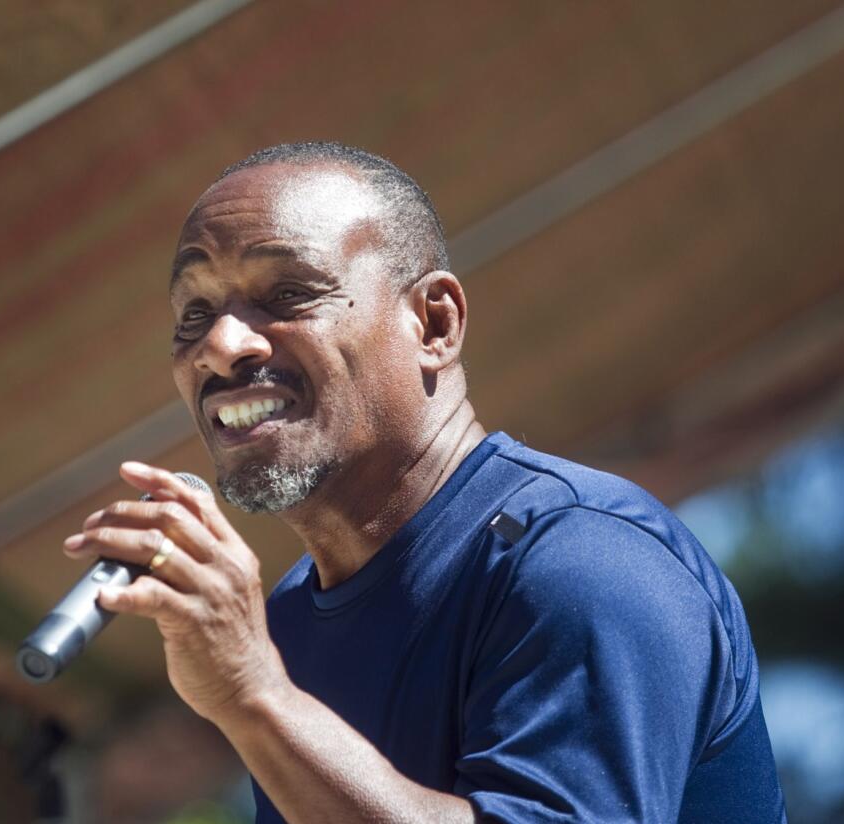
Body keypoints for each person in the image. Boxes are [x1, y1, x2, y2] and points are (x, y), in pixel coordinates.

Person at [62, 142, 786, 822]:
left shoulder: (584, 561)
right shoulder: (289, 620)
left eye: (286, 294)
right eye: (194, 313)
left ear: (434, 323)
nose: (221, 347)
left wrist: (255, 696)